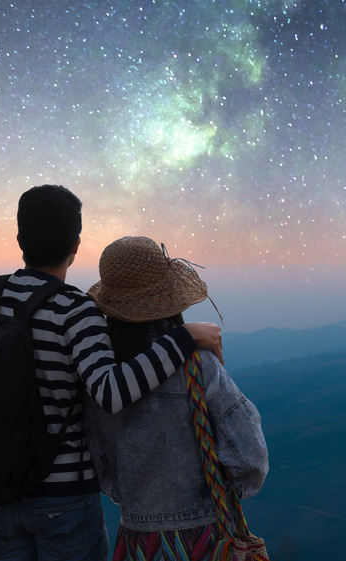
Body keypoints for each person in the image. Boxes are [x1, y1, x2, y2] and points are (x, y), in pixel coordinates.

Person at [0, 185, 223, 561]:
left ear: (19, 239)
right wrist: (183, 338)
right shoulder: (74, 309)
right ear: (75, 246)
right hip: (62, 500)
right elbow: (111, 392)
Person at [85, 236, 269, 561]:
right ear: (170, 301)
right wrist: (223, 491)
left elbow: (100, 459)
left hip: (137, 541)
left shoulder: (102, 377)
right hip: (204, 539)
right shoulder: (198, 366)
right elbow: (250, 456)